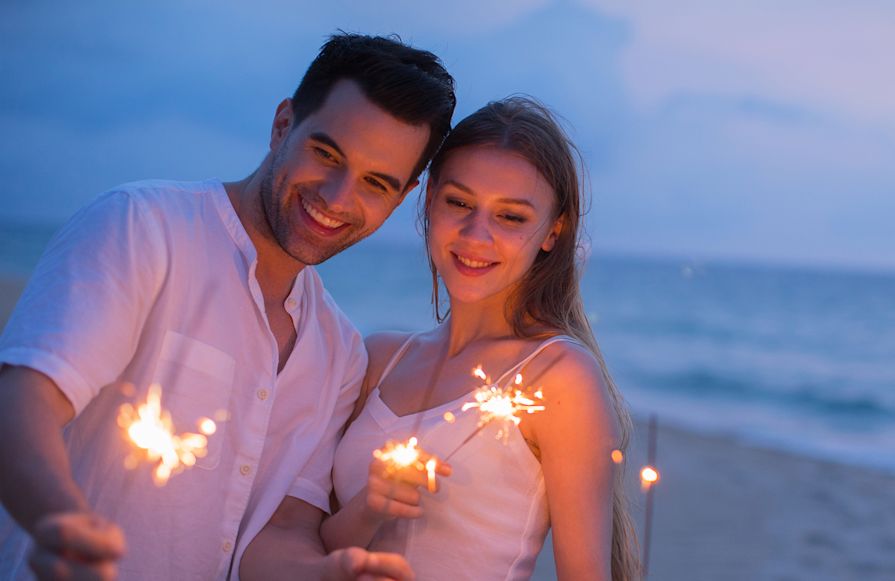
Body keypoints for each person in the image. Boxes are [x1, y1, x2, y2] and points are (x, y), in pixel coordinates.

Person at [0, 33, 455, 580]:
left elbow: (280, 531)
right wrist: (59, 519)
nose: (337, 197)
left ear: (401, 198)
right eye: (327, 153)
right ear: (283, 124)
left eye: (375, 184)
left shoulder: (338, 352)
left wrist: (327, 574)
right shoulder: (143, 228)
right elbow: (22, 402)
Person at [318, 97, 641, 580]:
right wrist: (371, 506)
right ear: (428, 200)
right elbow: (313, 551)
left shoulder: (558, 376)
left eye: (510, 217)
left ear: (554, 231)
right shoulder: (380, 358)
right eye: (460, 203)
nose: (476, 234)